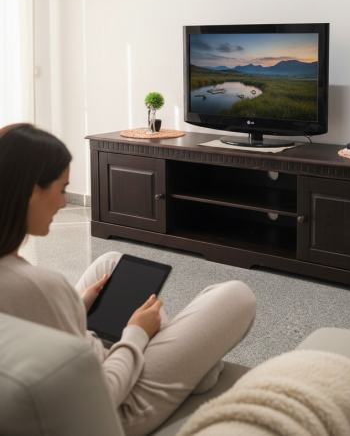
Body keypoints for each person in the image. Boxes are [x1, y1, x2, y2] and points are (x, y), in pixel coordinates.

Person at [0, 124, 256, 436]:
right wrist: (136, 333)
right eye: (62, 190)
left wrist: (76, 307)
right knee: (236, 295)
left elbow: (34, 323)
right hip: (116, 406)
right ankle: (195, 368)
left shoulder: (22, 281)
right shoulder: (41, 288)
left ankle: (189, 362)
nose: (64, 203)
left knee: (111, 262)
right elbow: (102, 392)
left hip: (65, 370)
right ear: (32, 192)